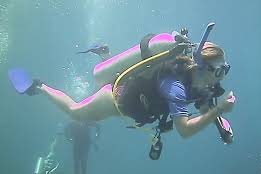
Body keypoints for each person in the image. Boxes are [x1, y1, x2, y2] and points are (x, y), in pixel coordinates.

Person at [10, 23, 236, 159]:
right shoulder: (174, 85)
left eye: (226, 69)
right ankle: (39, 86)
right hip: (115, 100)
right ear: (202, 67)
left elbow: (205, 101)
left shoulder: (203, 82)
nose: (222, 76)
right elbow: (185, 131)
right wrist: (220, 111)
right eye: (219, 71)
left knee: (107, 78)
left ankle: (105, 55)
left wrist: (220, 125)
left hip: (133, 90)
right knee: (76, 112)